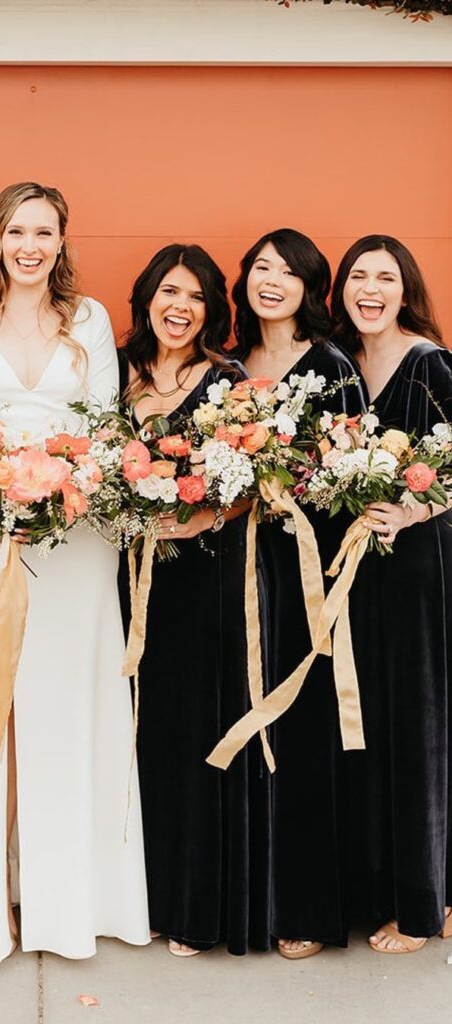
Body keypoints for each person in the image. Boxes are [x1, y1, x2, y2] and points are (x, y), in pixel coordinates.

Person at [0, 181, 149, 967]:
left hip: (77, 534)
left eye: (45, 232)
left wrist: (54, 493)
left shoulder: (87, 320)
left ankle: (73, 900)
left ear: (62, 241)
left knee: (69, 703)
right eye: (17, 231)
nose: (31, 246)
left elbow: (101, 428)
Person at [121, 243, 270, 957]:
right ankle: (148, 896)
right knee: (146, 737)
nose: (179, 307)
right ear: (147, 296)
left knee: (200, 734)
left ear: (212, 309)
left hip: (204, 576)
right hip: (130, 580)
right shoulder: (118, 374)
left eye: (196, 297)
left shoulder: (226, 381)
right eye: (168, 292)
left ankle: (200, 910)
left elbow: (250, 490)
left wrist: (193, 518)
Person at [232, 228, 364, 959]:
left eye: (287, 272)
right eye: (260, 267)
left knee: (303, 733)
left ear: (310, 287)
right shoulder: (230, 362)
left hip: (303, 572)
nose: (271, 281)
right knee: (247, 733)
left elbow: (347, 468)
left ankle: (306, 909)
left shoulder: (330, 364)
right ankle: (247, 898)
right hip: (235, 567)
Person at [332, 235, 452, 954]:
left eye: (383, 278)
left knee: (419, 726)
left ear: (403, 290)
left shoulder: (428, 362)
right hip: (360, 572)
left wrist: (414, 509)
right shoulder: (342, 366)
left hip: (420, 569)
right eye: (357, 277)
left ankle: (426, 903)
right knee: (368, 724)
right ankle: (379, 887)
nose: (368, 289)